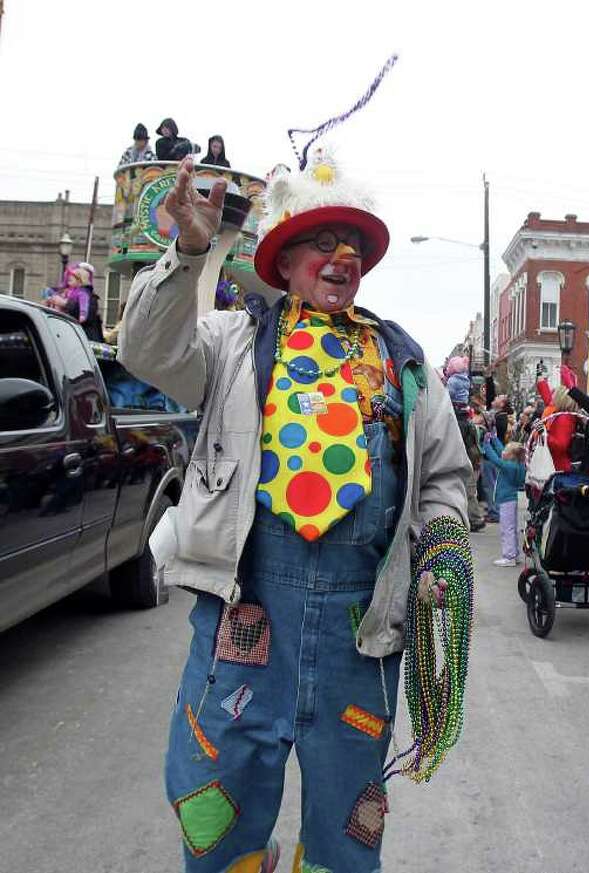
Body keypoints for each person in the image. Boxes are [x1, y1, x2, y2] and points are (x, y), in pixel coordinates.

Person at [118, 154, 473, 872]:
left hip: (359, 635)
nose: (340, 255)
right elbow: (148, 349)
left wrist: (442, 542)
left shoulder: (403, 362)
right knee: (213, 820)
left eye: (351, 242)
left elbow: (445, 475)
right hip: (244, 616)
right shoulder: (230, 341)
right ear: (283, 261)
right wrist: (189, 251)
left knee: (348, 840)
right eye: (321, 239)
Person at [481, 436, 526, 567]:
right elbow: (502, 451)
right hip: (511, 500)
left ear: (511, 455)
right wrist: (495, 439)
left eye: (506, 451)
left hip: (506, 500)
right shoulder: (516, 465)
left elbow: (495, 459)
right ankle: (514, 554)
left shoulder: (509, 466)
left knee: (507, 529)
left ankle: (509, 556)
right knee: (511, 529)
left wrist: (486, 445)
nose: (503, 452)